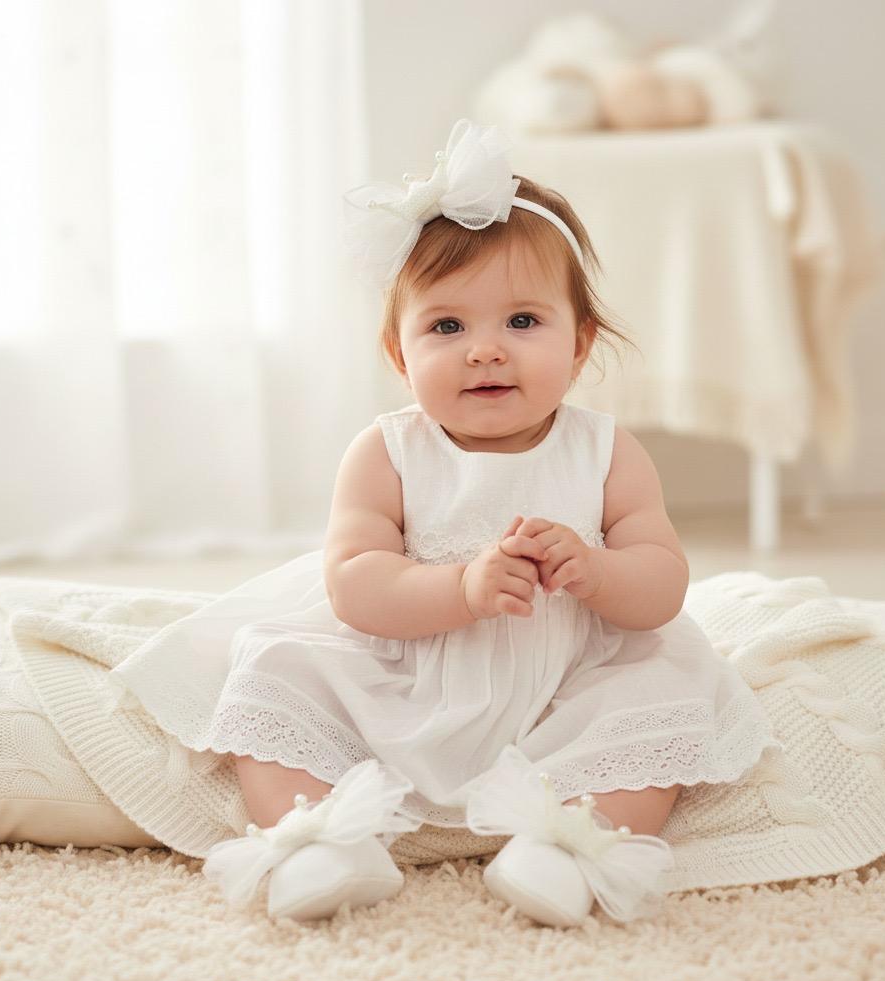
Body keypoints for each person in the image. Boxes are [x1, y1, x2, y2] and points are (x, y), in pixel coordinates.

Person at [108, 119, 782, 928]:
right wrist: (461, 586)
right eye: (447, 327)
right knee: (273, 665)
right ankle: (317, 838)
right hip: (405, 669)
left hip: (566, 676)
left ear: (580, 345)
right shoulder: (387, 451)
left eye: (523, 323)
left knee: (670, 684)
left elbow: (663, 582)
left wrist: (599, 572)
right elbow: (357, 585)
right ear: (400, 353)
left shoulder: (607, 452)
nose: (485, 351)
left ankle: (570, 846)